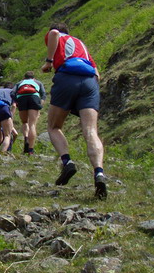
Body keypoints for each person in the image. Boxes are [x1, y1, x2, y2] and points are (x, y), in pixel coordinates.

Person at [41, 23, 107, 200]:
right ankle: (99, 172)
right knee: (91, 130)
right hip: (89, 81)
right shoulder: (81, 44)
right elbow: (97, 73)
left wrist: (49, 62)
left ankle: (67, 162)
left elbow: (54, 32)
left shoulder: (57, 36)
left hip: (67, 77)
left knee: (54, 127)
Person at [12, 71, 47, 156]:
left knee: (24, 122)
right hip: (34, 98)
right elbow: (43, 94)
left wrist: (17, 102)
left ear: (24, 78)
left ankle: (26, 137)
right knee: (32, 124)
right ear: (33, 78)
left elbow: (12, 93)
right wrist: (40, 104)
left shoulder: (19, 83)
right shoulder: (38, 82)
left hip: (22, 99)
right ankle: (31, 150)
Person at [0, 82, 18, 153]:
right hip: (4, 108)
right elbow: (14, 106)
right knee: (7, 136)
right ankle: (2, 153)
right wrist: (10, 117)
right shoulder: (12, 91)